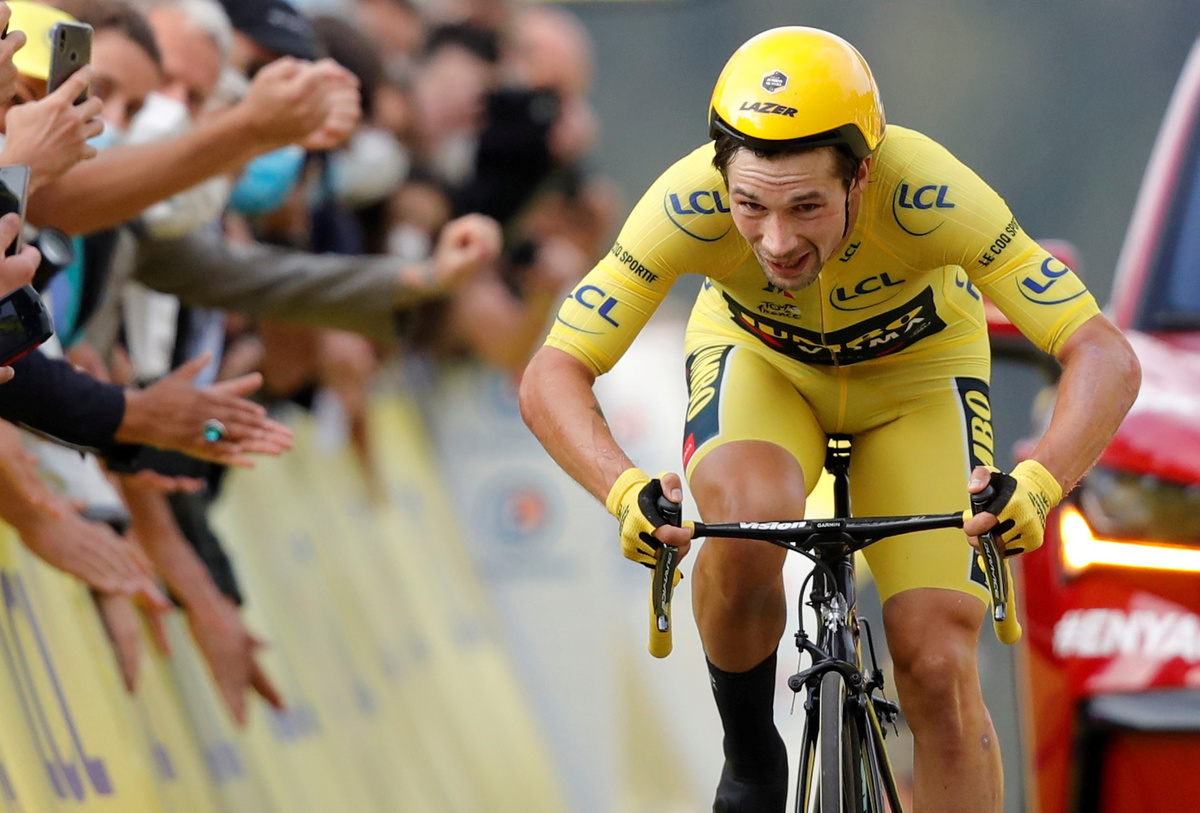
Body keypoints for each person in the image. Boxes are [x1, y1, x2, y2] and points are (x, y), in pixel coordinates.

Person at [519, 26, 1141, 813]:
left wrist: (1040, 483)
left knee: (937, 665)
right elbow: (552, 371)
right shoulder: (684, 205)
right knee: (748, 520)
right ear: (720, 176)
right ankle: (751, 755)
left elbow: (1103, 353)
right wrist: (622, 490)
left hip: (917, 380)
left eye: (807, 206)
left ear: (863, 175)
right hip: (765, 366)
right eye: (751, 205)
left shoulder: (930, 194)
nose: (777, 241)